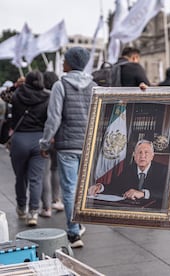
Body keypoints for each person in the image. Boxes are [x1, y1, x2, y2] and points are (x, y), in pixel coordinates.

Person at [39, 46, 95, 248]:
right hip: (88, 145)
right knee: (83, 188)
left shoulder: (60, 85)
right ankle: (79, 225)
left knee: (70, 189)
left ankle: (73, 233)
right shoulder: (94, 86)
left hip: (67, 146)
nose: (62, 62)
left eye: (64, 59)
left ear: (70, 63)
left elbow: (53, 119)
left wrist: (45, 143)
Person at [9, 71, 50, 226]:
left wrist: (15, 85)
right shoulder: (48, 96)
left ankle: (21, 207)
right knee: (36, 179)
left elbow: (3, 96)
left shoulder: (17, 94)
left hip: (19, 139)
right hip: (39, 139)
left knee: (20, 177)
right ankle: (33, 212)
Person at [88, 140, 167, 209]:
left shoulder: (162, 170)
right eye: (139, 152)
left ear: (152, 156)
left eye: (146, 152)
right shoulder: (128, 169)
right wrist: (100, 187)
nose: (142, 156)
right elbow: (115, 186)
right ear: (134, 156)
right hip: (131, 209)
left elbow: (166, 193)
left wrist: (143, 193)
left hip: (152, 211)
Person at [39, 71, 63, 218]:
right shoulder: (58, 95)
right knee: (56, 170)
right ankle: (57, 199)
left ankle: (46, 208)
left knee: (45, 173)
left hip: (45, 137)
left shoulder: (42, 96)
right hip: (59, 138)